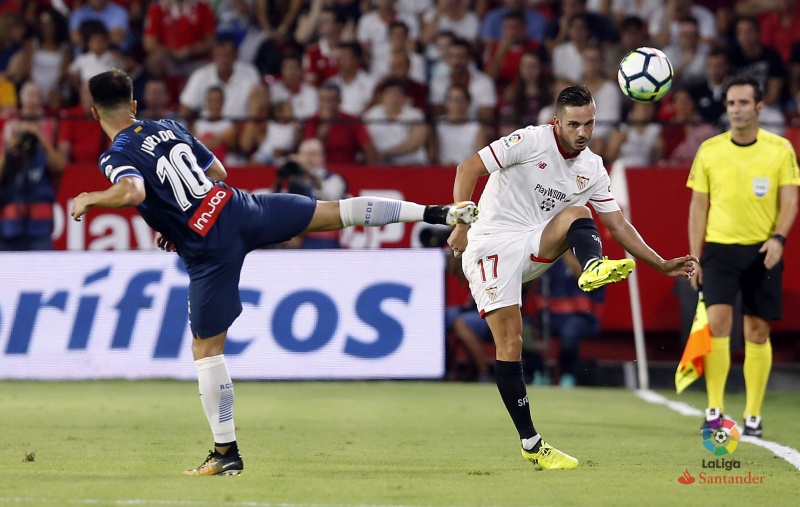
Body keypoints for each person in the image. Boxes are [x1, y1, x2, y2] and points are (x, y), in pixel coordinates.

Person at [68, 69, 479, 476]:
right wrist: (173, 215)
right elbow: (217, 173)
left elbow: (133, 191)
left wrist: (91, 197)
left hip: (209, 248)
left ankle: (226, 452)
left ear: (94, 112)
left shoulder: (116, 154)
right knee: (334, 212)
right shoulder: (169, 127)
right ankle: (435, 212)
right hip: (239, 208)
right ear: (134, 104)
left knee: (207, 350)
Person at [446, 85, 697, 469]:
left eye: (589, 124)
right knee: (510, 342)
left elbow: (619, 225)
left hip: (535, 242)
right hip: (489, 244)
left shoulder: (592, 167)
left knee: (580, 213)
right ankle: (531, 443)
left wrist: (661, 263)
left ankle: (592, 265)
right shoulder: (530, 140)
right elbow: (467, 169)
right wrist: (462, 224)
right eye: (574, 124)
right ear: (556, 122)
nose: (583, 132)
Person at [687, 75, 800, 438]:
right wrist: (694, 256)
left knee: (757, 331)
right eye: (731, 103)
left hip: (762, 250)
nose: (736, 110)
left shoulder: (780, 149)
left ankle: (753, 415)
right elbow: (698, 208)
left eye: (743, 103)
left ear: (759, 107)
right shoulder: (709, 150)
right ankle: (714, 410)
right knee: (718, 324)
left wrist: (779, 238)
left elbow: (791, 201)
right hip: (719, 250)